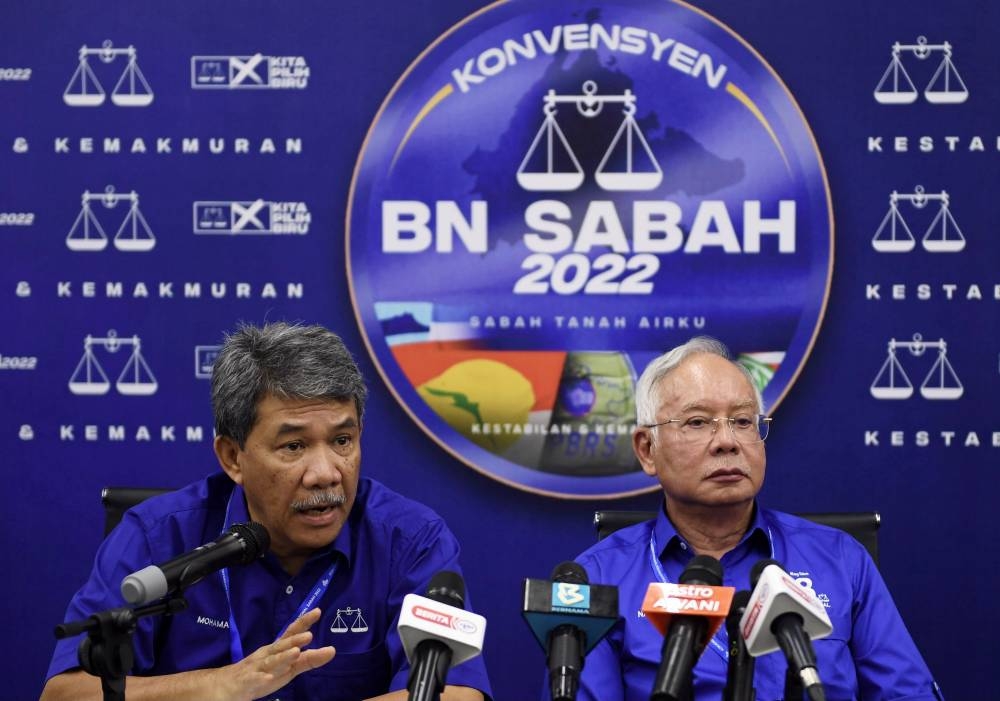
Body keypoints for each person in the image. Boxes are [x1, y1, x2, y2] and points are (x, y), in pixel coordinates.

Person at [42, 321, 492, 701]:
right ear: (233, 457)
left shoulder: (410, 541)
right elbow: (66, 693)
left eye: (342, 441)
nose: (326, 473)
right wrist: (223, 686)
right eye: (294, 445)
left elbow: (457, 694)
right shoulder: (159, 538)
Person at [543, 336, 943, 701]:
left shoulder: (840, 559)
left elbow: (908, 694)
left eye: (742, 421)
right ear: (647, 449)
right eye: (698, 422)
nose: (727, 441)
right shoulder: (597, 577)